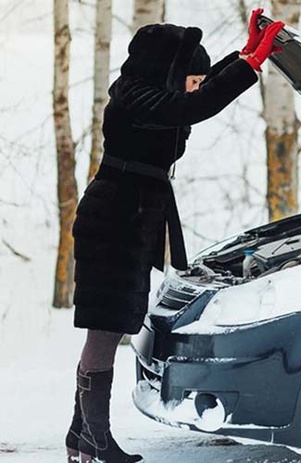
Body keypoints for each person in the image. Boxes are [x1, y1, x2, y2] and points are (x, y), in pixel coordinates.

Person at [65, 10, 284, 463]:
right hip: (112, 224)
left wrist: (241, 55)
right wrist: (249, 67)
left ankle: (81, 435)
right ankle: (97, 442)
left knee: (110, 325)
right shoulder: (134, 97)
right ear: (168, 71)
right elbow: (192, 107)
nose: (196, 87)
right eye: (191, 78)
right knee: (106, 329)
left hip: (129, 219)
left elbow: (194, 95)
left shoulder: (148, 91)